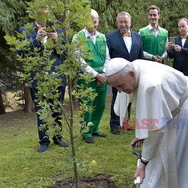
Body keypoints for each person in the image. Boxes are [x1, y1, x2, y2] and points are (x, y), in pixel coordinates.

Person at [105, 58, 188, 188]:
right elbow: (150, 117)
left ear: (131, 75)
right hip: (171, 98)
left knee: (175, 152)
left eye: (120, 85)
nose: (119, 90)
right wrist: (142, 137)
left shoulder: (151, 85)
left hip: (186, 105)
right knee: (161, 149)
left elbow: (155, 131)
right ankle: (152, 187)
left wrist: (143, 163)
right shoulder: (134, 69)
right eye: (115, 87)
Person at [19, 15, 68, 153]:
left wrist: (57, 40)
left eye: (46, 12)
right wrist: (37, 40)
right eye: (41, 12)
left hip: (57, 78)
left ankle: (58, 138)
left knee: (57, 110)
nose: (44, 15)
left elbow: (66, 55)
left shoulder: (58, 29)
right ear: (34, 14)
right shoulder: (25, 30)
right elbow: (22, 54)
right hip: (38, 79)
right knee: (42, 112)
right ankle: (44, 141)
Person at [73, 9, 109, 143]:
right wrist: (96, 75)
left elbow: (107, 57)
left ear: (98, 21)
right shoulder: (78, 37)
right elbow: (79, 60)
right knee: (87, 105)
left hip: (102, 76)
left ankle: (94, 128)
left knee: (100, 105)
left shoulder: (102, 37)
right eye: (90, 21)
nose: (93, 25)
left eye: (95, 21)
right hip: (87, 78)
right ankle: (86, 132)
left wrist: (104, 73)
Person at [106, 11, 143, 135]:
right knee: (116, 98)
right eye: (120, 22)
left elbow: (140, 57)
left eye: (125, 22)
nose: (123, 24)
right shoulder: (109, 37)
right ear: (117, 23)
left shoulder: (138, 37)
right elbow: (108, 57)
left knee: (130, 99)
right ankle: (114, 124)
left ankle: (125, 122)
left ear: (130, 23)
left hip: (132, 75)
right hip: (118, 75)